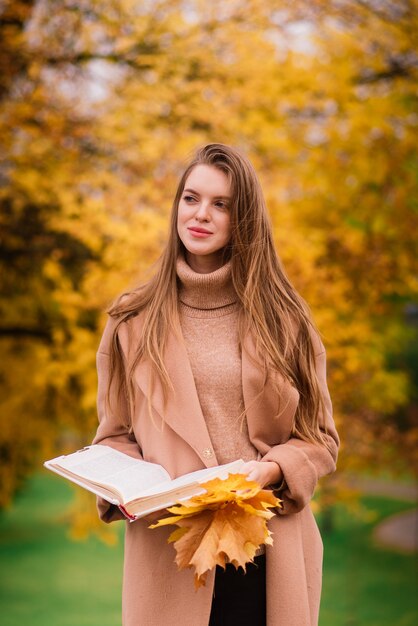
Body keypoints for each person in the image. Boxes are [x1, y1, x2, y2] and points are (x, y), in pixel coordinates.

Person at [93, 143, 339, 626]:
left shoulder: (285, 319)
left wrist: (270, 471)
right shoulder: (131, 320)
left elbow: (321, 439)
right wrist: (127, 484)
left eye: (221, 204)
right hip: (171, 558)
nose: (200, 214)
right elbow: (114, 436)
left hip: (269, 557)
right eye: (191, 198)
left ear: (243, 219)